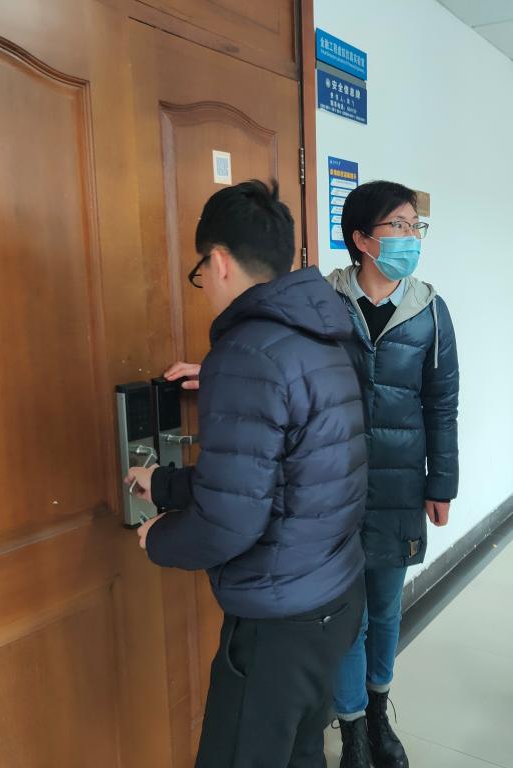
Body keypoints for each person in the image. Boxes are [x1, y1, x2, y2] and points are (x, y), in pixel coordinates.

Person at [126, 180, 368, 768]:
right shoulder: (326, 333)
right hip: (333, 595)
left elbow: (230, 518)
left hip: (277, 621)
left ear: (218, 261)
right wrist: (164, 484)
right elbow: (284, 474)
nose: (205, 286)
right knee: (301, 752)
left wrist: (159, 538)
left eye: (200, 272)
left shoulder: (246, 353)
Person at [325, 180, 459, 768]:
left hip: (402, 484)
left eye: (414, 227)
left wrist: (442, 483)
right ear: (362, 239)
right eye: (397, 226)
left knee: (384, 609)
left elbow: (443, 404)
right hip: (333, 485)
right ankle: (352, 729)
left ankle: (378, 716)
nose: (410, 237)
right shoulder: (323, 301)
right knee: (345, 615)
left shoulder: (430, 309)